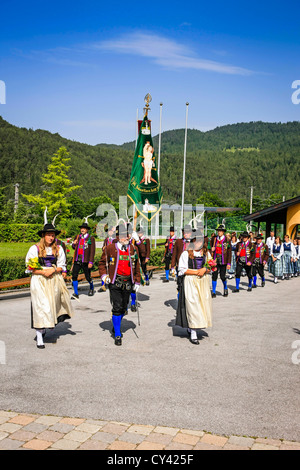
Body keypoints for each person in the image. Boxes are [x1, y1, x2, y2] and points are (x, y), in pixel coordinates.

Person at [25, 222, 74, 349]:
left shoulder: (58, 249)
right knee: (41, 306)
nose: (51, 238)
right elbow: (30, 268)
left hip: (53, 279)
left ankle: (45, 327)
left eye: (53, 235)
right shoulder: (34, 249)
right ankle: (39, 336)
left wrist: (53, 270)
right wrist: (43, 271)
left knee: (51, 306)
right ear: (43, 235)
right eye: (49, 235)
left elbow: (61, 266)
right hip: (39, 280)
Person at [98, 222, 141, 346]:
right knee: (116, 307)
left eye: (127, 235)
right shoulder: (110, 248)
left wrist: (137, 281)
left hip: (128, 282)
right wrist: (104, 275)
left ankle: (115, 325)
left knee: (124, 307)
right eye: (123, 235)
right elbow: (101, 264)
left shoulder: (132, 248)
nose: (126, 237)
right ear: (117, 236)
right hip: (115, 282)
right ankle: (117, 333)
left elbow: (137, 265)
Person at [175, 228, 212, 345]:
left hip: (203, 282)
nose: (198, 244)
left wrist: (205, 269)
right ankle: (193, 333)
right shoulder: (186, 254)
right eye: (196, 241)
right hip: (190, 282)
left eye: (200, 242)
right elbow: (182, 270)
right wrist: (197, 272)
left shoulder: (206, 253)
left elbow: (212, 266)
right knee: (193, 305)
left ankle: (195, 326)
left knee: (202, 304)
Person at [71, 217, 96, 299]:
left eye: (84, 228)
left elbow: (92, 251)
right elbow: (74, 248)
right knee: (74, 276)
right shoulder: (77, 237)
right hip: (77, 259)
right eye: (82, 228)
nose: (82, 230)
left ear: (87, 230)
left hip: (85, 260)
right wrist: (74, 244)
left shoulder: (91, 238)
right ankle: (76, 293)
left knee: (88, 277)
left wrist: (91, 262)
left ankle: (92, 288)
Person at [210, 224, 231, 297]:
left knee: (222, 276)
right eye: (218, 231)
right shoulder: (214, 239)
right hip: (215, 261)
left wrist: (229, 263)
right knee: (214, 275)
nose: (219, 232)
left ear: (223, 232)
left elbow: (229, 252)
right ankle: (213, 291)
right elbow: (209, 247)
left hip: (223, 261)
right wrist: (211, 249)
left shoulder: (227, 240)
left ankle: (225, 288)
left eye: (220, 231)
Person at [98, 226, 116, 293]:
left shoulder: (115, 240)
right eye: (109, 231)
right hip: (106, 256)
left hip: (113, 256)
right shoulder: (106, 239)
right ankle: (103, 285)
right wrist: (103, 247)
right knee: (104, 269)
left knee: (112, 269)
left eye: (111, 231)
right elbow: (103, 246)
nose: (110, 232)